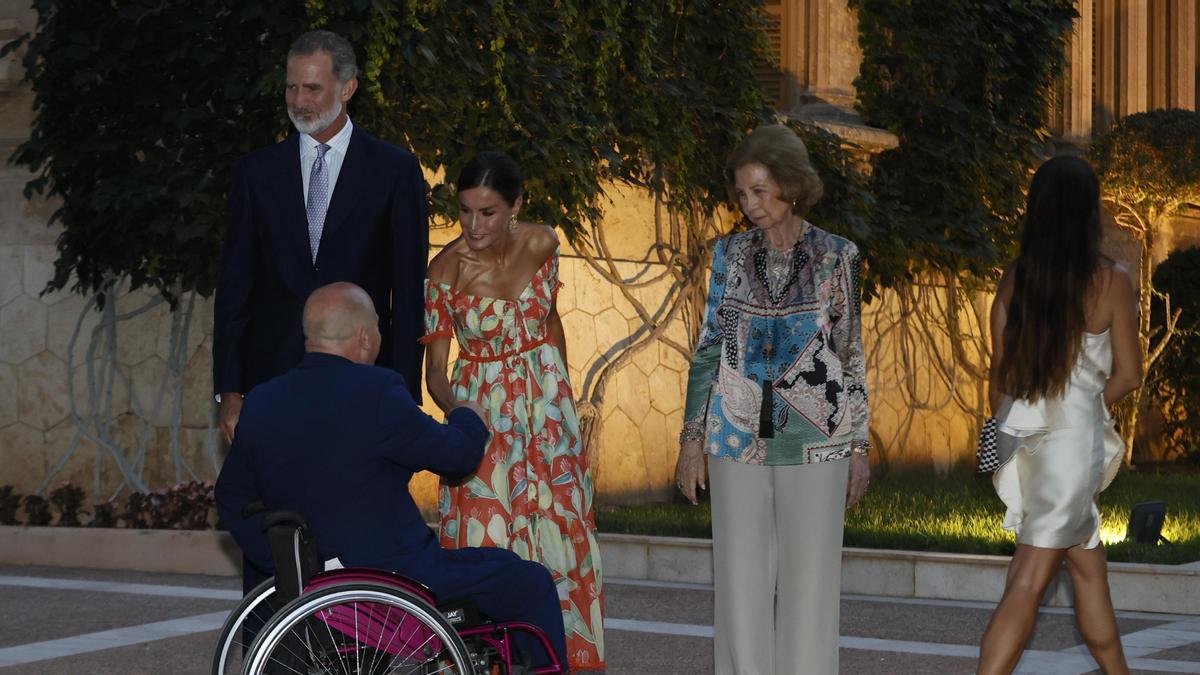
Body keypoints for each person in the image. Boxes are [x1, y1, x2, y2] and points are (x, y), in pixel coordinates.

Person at [214, 282, 568, 670]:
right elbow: (457, 456)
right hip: (396, 580)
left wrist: (292, 563)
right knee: (528, 581)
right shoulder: (377, 391)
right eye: (379, 327)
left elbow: (231, 499)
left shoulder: (263, 400)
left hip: (310, 589)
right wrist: (468, 415)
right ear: (365, 337)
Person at [674, 124, 871, 675]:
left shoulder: (838, 256)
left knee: (811, 588)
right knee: (740, 584)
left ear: (791, 184)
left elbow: (849, 354)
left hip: (818, 440)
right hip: (734, 436)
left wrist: (859, 445)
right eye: (741, 193)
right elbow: (709, 348)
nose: (749, 204)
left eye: (760, 190)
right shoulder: (729, 254)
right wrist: (692, 441)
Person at [421, 151, 604, 670]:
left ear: (516, 205)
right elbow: (436, 372)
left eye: (488, 212)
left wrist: (565, 402)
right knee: (490, 545)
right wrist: (465, 418)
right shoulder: (443, 271)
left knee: (558, 545)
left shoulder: (544, 243)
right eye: (464, 211)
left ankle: (559, 662)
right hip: (484, 417)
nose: (473, 226)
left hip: (547, 415)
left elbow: (550, 321)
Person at [213, 29, 429, 445]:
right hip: (269, 383)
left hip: (364, 383)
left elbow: (408, 292)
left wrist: (402, 394)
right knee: (273, 508)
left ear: (347, 88)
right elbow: (235, 287)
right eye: (291, 87)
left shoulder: (395, 171)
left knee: (350, 507)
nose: (298, 101)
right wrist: (230, 391)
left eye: (312, 87)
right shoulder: (255, 173)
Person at [978, 155, 1138, 675]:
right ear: (1089, 212)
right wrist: (1084, 407)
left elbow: (998, 374)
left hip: (1023, 436)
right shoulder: (1111, 281)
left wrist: (1018, 422)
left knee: (1089, 570)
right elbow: (1130, 376)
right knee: (1028, 579)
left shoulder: (1016, 279)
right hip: (1071, 446)